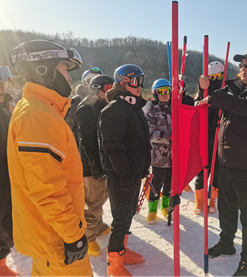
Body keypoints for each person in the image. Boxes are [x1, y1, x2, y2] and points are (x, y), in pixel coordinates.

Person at [7, 40, 92, 276]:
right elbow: (47, 190)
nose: (69, 78)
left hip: (50, 235)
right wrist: (73, 235)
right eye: (65, 70)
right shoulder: (38, 117)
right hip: (57, 240)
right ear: (44, 69)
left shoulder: (39, 111)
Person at [199, 46, 247, 277]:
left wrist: (217, 96)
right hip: (226, 161)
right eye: (240, 65)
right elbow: (217, 94)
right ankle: (226, 242)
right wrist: (206, 86)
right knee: (226, 206)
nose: (241, 70)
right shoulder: (239, 84)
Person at [98, 64, 150, 277]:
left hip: (133, 172)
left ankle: (121, 250)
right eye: (136, 81)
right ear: (123, 82)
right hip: (121, 174)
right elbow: (112, 146)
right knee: (120, 218)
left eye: (142, 81)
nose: (140, 86)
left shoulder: (132, 108)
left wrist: (141, 168)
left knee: (128, 214)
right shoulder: (114, 110)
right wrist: (125, 173)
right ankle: (114, 264)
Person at [76, 74, 114, 256]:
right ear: (97, 89)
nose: (111, 92)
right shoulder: (86, 108)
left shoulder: (104, 106)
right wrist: (95, 167)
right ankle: (88, 237)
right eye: (107, 89)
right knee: (92, 201)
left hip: (103, 162)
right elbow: (87, 142)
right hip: (91, 165)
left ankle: (97, 226)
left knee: (102, 197)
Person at [193, 61, 224, 215]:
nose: (216, 79)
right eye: (213, 77)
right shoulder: (203, 92)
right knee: (201, 171)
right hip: (204, 140)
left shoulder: (226, 92)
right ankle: (199, 200)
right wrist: (201, 90)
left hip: (220, 140)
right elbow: (196, 106)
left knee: (217, 173)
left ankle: (212, 200)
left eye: (219, 76)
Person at [146, 78, 172, 224]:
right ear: (155, 94)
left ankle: (165, 206)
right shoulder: (151, 112)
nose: (164, 94)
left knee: (170, 182)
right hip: (159, 156)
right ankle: (152, 209)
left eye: (167, 91)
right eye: (161, 91)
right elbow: (150, 133)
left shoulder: (175, 109)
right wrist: (169, 137)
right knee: (157, 182)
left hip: (174, 155)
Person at [0, 106, 18, 277]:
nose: (3, 88)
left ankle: (1, 265)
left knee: (6, 219)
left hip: (6, 174)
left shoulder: (3, 111)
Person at [65, 67, 103, 143]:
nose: (94, 85)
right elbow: (67, 129)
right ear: (85, 83)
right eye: (91, 81)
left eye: (99, 82)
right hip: (80, 148)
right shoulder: (76, 101)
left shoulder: (104, 101)